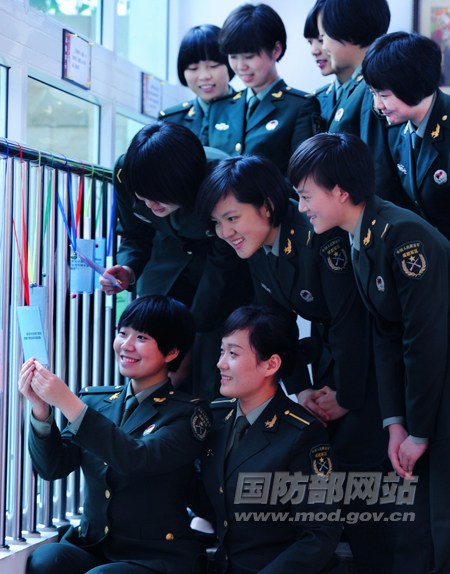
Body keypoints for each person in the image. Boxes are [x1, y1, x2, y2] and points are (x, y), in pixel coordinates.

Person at [196, 153, 393, 573]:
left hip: (375, 365)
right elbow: (274, 324)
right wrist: (301, 387)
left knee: (362, 481)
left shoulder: (317, 235)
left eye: (232, 218)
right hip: (334, 363)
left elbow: (351, 320)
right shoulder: (258, 249)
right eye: (217, 223)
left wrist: (346, 395)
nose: (225, 233)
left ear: (267, 206)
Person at [288, 131, 450, 574]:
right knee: (415, 529)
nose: (301, 208)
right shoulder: (360, 237)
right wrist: (394, 423)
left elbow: (425, 342)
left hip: (440, 388)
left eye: (306, 196)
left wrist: (418, 432)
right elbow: (383, 335)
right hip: (422, 396)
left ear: (341, 191)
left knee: (439, 523)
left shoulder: (403, 236)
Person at [19, 294, 212, 574]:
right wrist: (41, 411)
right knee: (47, 559)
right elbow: (52, 468)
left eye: (142, 337)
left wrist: (68, 402)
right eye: (123, 333)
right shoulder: (97, 401)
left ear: (171, 352)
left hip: (155, 556)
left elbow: (136, 459)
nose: (126, 345)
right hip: (95, 545)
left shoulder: (188, 413)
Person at [103, 122, 253, 399]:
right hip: (165, 272)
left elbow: (221, 266)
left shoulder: (218, 178)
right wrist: (128, 268)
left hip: (218, 276)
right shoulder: (127, 172)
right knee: (152, 367)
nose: (151, 205)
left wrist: (188, 345)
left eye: (158, 197)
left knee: (210, 370)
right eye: (143, 198)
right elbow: (135, 234)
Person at [195, 304, 342, 574]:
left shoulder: (302, 433)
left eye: (233, 353)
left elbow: (320, 533)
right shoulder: (215, 418)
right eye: (221, 351)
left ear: (271, 364)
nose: (221, 363)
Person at [207, 3, 321, 175]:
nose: (240, 66)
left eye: (249, 56)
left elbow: (302, 177)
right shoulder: (218, 107)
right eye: (233, 56)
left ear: (276, 50)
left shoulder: (300, 106)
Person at [362, 31, 450, 239]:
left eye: (384, 95)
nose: (377, 105)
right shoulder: (396, 128)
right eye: (373, 94)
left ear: (413, 86)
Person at [317, 0, 404, 204]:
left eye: (325, 36)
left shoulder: (369, 88)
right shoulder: (354, 86)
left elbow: (377, 168)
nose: (323, 47)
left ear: (348, 31)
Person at [159, 24, 234, 145]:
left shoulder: (250, 111)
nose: (204, 76)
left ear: (231, 63)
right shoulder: (171, 121)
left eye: (213, 66)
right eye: (193, 68)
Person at [303, 0, 336, 125]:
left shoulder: (374, 94)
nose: (314, 51)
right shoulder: (317, 98)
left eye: (321, 40)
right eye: (310, 42)